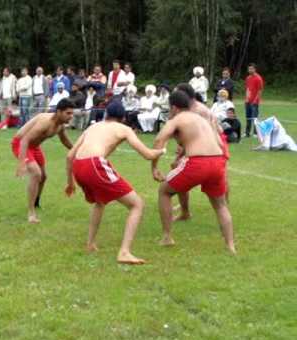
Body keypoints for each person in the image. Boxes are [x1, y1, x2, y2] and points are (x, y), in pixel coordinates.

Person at [66, 101, 166, 265]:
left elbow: (70, 156)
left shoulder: (93, 126)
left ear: (106, 114)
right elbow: (148, 155)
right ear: (122, 118)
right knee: (137, 204)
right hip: (94, 164)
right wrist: (162, 150)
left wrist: (70, 183)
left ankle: (90, 244)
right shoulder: (123, 128)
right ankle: (124, 252)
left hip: (78, 166)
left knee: (99, 202)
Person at [151, 91, 235, 254]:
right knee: (220, 205)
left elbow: (159, 140)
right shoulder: (201, 118)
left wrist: (154, 167)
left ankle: (167, 237)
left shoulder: (177, 119)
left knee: (164, 191)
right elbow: (216, 140)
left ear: (174, 107)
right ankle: (230, 246)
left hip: (197, 163)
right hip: (218, 160)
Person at [12, 98, 75, 223]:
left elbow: (65, 141)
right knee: (36, 173)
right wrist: (21, 163)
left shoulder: (60, 126)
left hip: (34, 147)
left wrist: (78, 150)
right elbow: (24, 140)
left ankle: (36, 202)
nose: (71, 116)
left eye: (72, 113)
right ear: (59, 112)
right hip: (21, 144)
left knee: (44, 176)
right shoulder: (45, 122)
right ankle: (31, 213)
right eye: (68, 113)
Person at [244, 63, 264, 137]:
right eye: (249, 69)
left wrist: (256, 100)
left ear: (255, 69)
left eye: (251, 69)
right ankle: (247, 133)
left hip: (254, 102)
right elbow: (247, 89)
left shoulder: (258, 78)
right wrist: (246, 98)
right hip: (248, 101)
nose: (250, 70)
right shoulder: (248, 78)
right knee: (248, 117)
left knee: (255, 118)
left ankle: (256, 133)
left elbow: (260, 91)